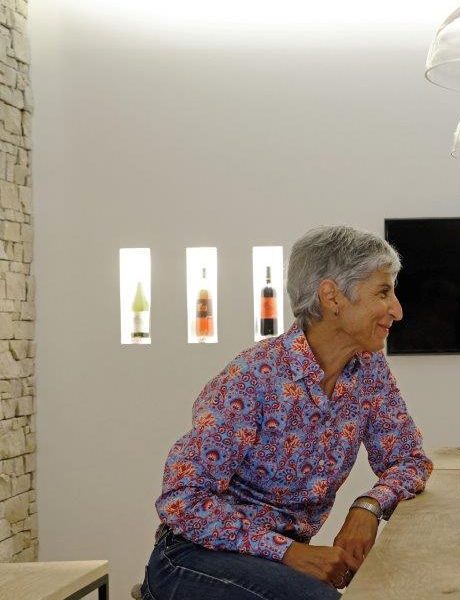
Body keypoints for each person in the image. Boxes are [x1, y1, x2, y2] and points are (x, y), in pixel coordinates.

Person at [141, 226, 433, 600]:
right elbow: (182, 501)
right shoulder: (252, 378)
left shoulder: (369, 370)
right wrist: (288, 552)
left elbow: (408, 459)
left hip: (276, 562)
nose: (397, 309)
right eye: (383, 292)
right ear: (332, 297)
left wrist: (369, 506)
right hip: (193, 559)